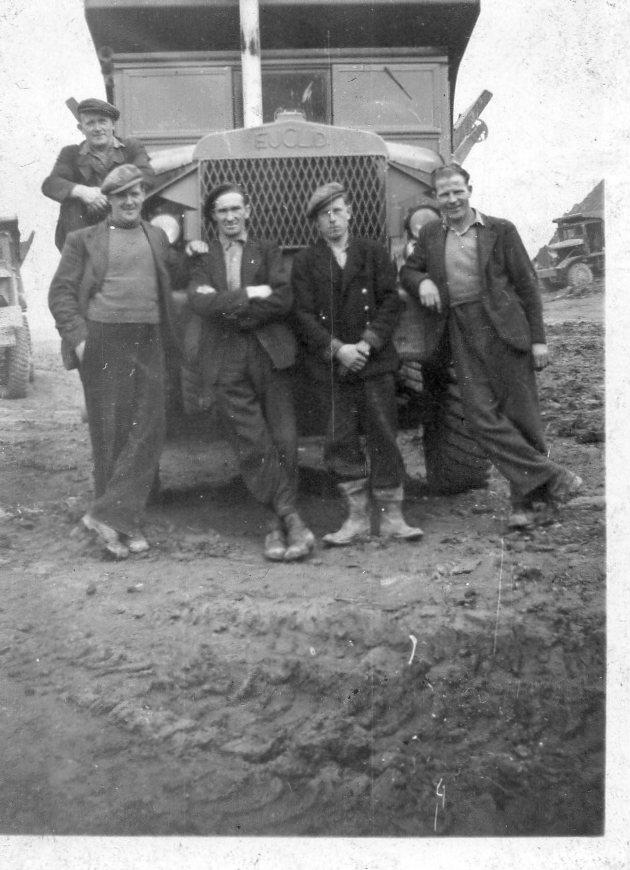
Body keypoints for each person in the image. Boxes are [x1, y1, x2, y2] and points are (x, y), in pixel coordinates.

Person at [400, 163, 583, 528]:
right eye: (444, 194)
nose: (451, 199)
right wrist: (422, 282)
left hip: (505, 330)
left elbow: (527, 287)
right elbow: (409, 269)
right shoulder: (432, 234)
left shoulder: (500, 229)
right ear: (435, 199)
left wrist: (538, 340)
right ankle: (553, 477)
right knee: (482, 420)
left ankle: (525, 505)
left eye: (457, 191)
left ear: (469, 190)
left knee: (523, 418)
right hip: (461, 331)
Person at [48, 164, 182, 558]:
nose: (129, 201)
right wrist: (80, 341)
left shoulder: (156, 236)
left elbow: (172, 275)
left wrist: (195, 251)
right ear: (108, 200)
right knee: (112, 435)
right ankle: (122, 523)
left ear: (143, 196)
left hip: (150, 339)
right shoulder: (83, 239)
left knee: (150, 429)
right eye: (121, 195)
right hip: (104, 340)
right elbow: (61, 294)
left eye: (135, 193)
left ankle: (107, 515)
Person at [187, 182, 315, 563]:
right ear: (212, 218)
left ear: (248, 211)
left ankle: (279, 521)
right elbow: (198, 301)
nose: (229, 217)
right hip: (225, 357)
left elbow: (281, 298)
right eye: (221, 212)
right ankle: (284, 522)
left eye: (235, 209)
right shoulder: (203, 256)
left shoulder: (268, 249)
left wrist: (232, 309)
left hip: (268, 352)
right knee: (252, 441)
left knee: (284, 438)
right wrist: (248, 296)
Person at [291, 182, 423, 546]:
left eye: (337, 211)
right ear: (316, 222)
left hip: (373, 362)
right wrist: (338, 349)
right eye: (323, 214)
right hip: (332, 366)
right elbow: (302, 316)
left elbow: (391, 301)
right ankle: (357, 519)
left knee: (383, 434)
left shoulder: (373, 252)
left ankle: (394, 518)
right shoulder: (306, 262)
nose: (332, 220)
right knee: (340, 439)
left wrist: (367, 343)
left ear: (350, 212)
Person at [42, 98, 154, 251]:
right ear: (81, 128)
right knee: (72, 203)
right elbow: (50, 184)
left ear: (113, 124)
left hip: (125, 223)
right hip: (85, 231)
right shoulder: (71, 153)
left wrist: (106, 195)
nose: (97, 128)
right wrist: (84, 192)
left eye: (103, 121)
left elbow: (146, 176)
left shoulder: (131, 148)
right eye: (90, 123)